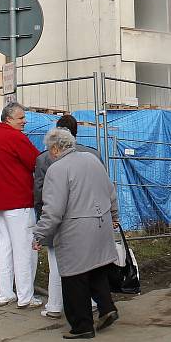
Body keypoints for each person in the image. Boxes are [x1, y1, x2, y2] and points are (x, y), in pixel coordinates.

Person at [33, 128, 120, 339]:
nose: (49, 154)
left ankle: (82, 326)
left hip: (76, 231)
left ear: (55, 148)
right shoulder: (91, 159)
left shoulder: (57, 170)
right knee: (96, 269)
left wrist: (39, 235)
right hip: (101, 224)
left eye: (49, 149)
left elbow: (53, 210)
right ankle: (107, 307)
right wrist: (115, 216)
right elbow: (111, 191)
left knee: (74, 278)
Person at [33, 115, 102, 319]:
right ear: (76, 132)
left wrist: (41, 222)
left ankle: (54, 306)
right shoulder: (92, 154)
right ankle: (91, 303)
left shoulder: (43, 158)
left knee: (56, 264)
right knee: (87, 263)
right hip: (88, 220)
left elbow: (39, 192)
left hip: (57, 220)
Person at [0, 102, 42, 309]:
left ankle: (4, 293)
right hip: (18, 201)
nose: (24, 121)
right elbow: (35, 161)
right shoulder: (16, 137)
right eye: (20, 118)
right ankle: (26, 296)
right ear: (8, 119)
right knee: (25, 249)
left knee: (5, 249)